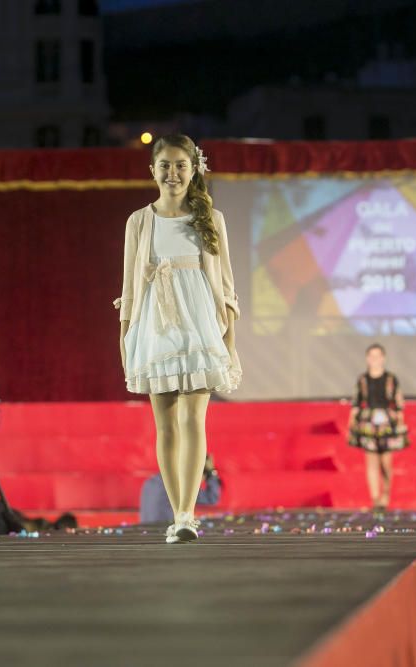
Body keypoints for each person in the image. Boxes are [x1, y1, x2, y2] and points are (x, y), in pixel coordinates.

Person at [115, 134, 240, 544]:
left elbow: (224, 284)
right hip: (156, 324)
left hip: (200, 323)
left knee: (193, 419)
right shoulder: (139, 221)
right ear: (152, 169)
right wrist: (127, 335)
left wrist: (230, 339)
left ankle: (188, 514)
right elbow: (130, 287)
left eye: (180, 165)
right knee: (165, 424)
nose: (172, 173)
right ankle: (176, 512)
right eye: (165, 165)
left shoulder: (210, 218)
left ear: (193, 169)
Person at [347, 343, 408, 512]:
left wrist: (400, 422)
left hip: (388, 423)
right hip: (368, 424)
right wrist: (351, 422)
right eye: (371, 356)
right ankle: (375, 499)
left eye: (378, 356)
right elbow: (356, 403)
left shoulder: (391, 379)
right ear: (367, 359)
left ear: (383, 358)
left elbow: (398, 403)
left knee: (386, 463)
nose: (375, 359)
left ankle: (385, 494)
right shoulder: (362, 380)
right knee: (371, 462)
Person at [140, 454, 222, 524]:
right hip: (163, 534)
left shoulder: (151, 481)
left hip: (145, 532)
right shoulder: (179, 484)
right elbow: (212, 498)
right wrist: (212, 472)